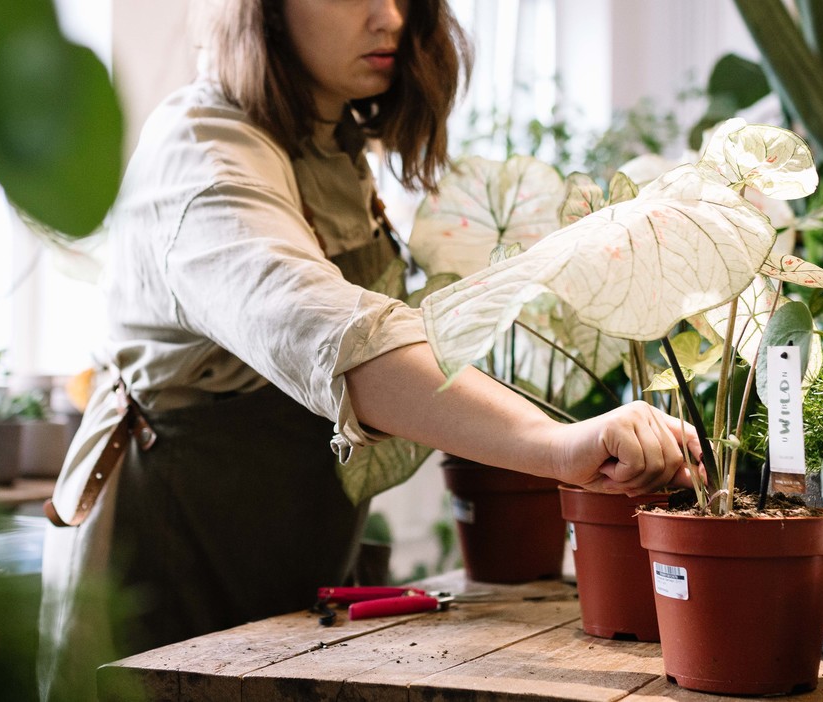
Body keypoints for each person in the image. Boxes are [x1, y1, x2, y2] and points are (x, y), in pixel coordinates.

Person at [37, 1, 702, 700]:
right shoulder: (201, 154)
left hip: (286, 566)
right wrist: (556, 445)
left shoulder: (331, 142)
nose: (390, 17)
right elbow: (333, 333)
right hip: (165, 568)